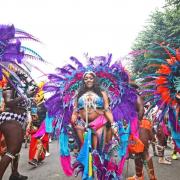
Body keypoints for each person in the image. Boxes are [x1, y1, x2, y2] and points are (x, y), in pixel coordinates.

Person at [71, 71, 118, 148]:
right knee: (84, 150)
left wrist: (113, 124)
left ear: (95, 80)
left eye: (91, 78)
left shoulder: (102, 93)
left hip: (99, 122)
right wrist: (73, 120)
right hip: (82, 124)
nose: (88, 80)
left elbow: (107, 109)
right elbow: (75, 110)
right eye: (86, 79)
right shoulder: (79, 93)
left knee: (99, 150)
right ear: (83, 81)